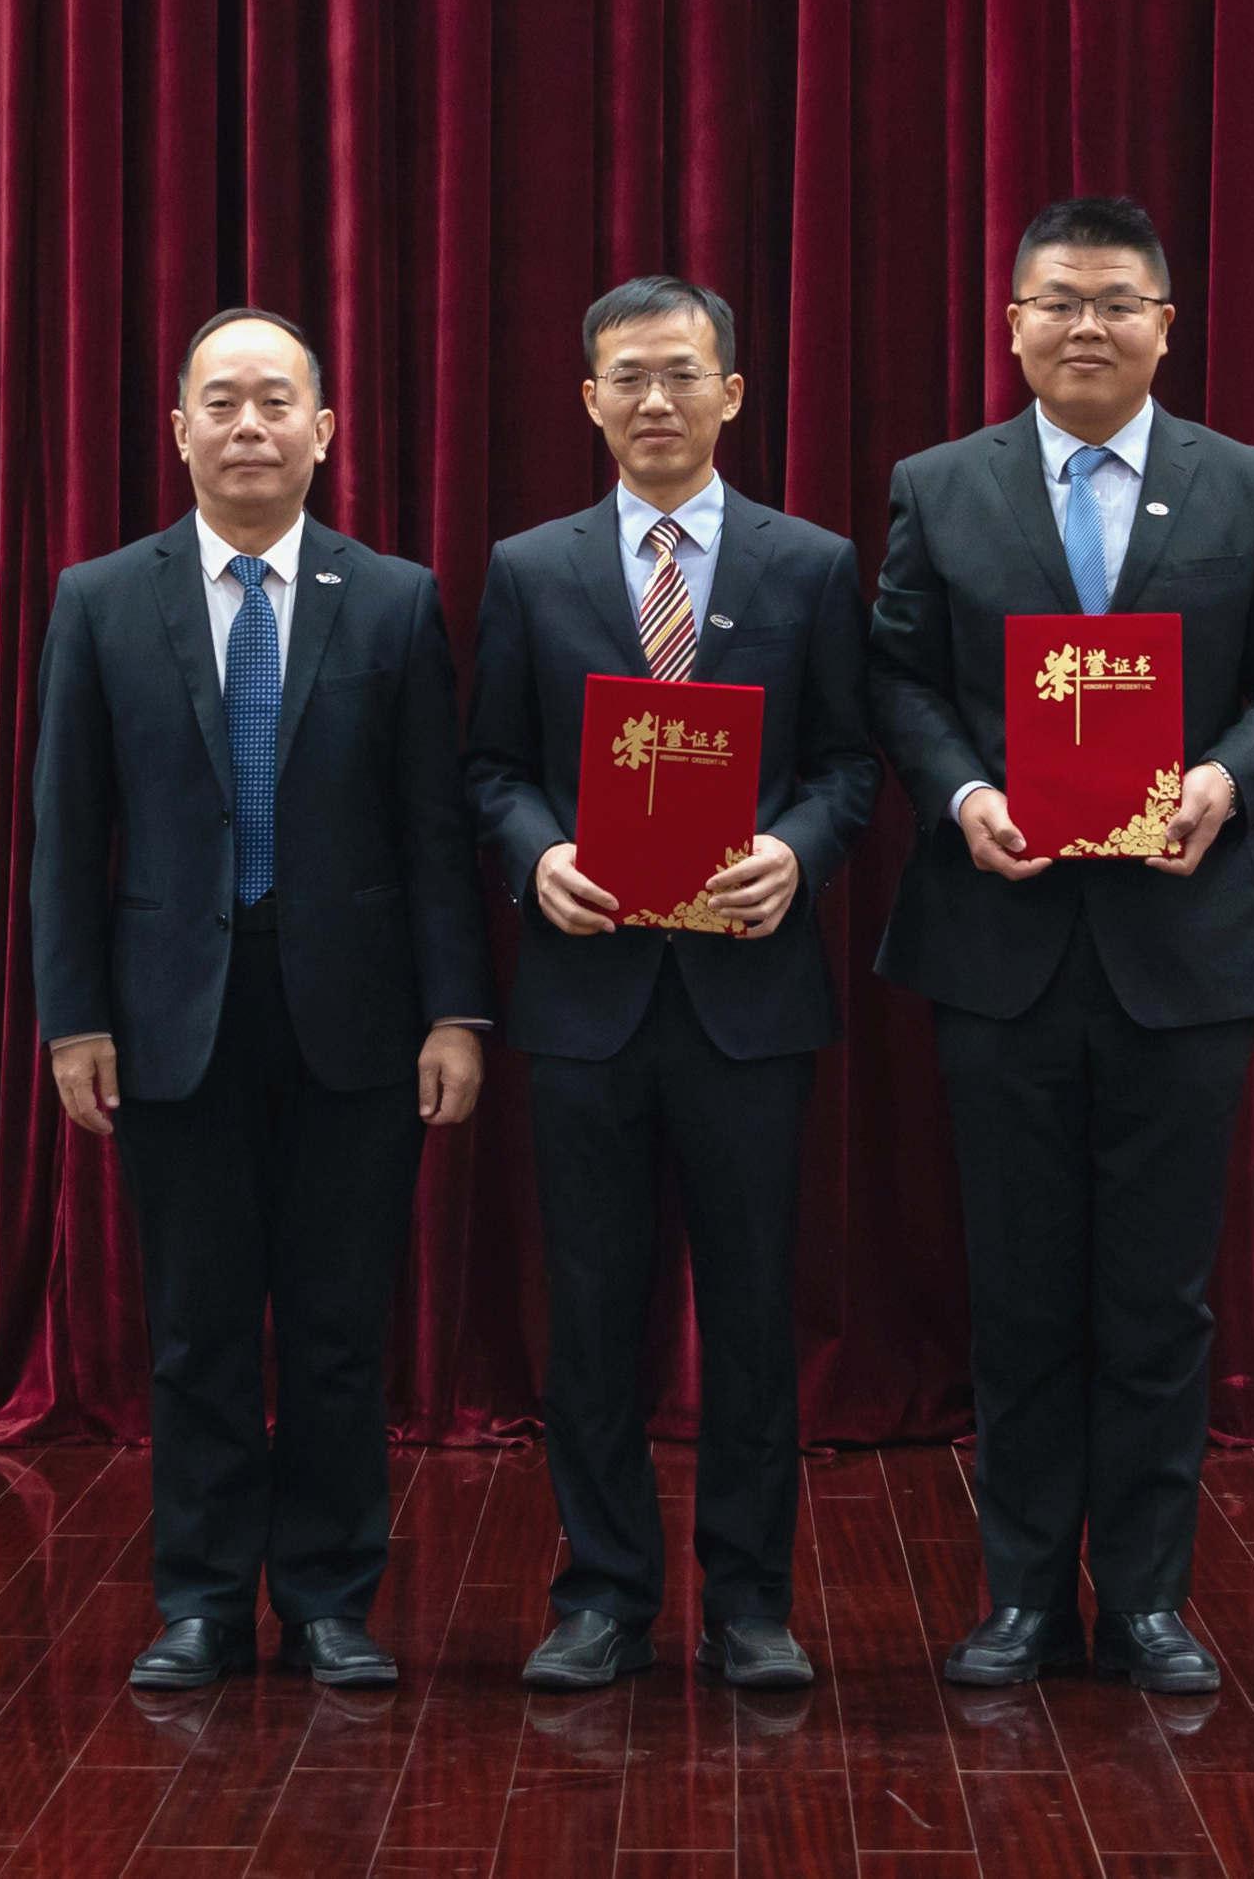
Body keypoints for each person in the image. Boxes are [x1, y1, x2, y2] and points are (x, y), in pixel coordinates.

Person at [869, 197, 1254, 1694]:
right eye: (1059, 300)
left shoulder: (1246, 486)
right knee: (1018, 1290)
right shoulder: (940, 486)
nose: (1087, 325)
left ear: (1164, 325)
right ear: (1011, 324)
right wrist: (961, 796)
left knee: (1156, 1296)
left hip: (1180, 949)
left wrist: (1226, 778)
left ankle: (1146, 1600)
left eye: (1117, 300)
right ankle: (1020, 1599)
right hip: (999, 942)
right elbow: (895, 676)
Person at [28, 307, 493, 1691]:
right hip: (171, 1021)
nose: (249, 426)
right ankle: (202, 1602)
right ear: (179, 430)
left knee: (341, 1329)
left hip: (357, 1022)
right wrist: (73, 1018)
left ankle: (334, 1601)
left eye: (276, 402)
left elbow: (433, 831)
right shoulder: (102, 599)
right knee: (197, 1330)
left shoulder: (393, 599)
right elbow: (67, 832)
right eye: (221, 402)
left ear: (323, 431)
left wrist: (456, 1013)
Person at [465, 277, 879, 1693]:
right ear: (589, 400)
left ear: (732, 394)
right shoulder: (530, 569)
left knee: (754, 1314)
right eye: (628, 378)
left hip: (748, 998)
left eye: (682, 375)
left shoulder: (809, 565)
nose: (656, 401)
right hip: (586, 998)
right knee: (591, 1314)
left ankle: (752, 1604)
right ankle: (600, 1596)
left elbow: (849, 764)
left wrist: (795, 852)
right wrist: (538, 856)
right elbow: (489, 768)